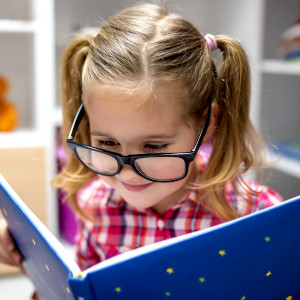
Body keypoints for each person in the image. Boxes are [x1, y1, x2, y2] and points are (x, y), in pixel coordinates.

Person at [0, 2, 282, 273]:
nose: (128, 174)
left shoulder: (256, 214)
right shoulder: (95, 205)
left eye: (154, 146)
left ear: (207, 125)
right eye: (108, 143)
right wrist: (29, 262)